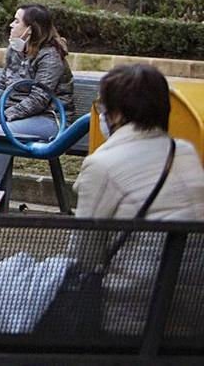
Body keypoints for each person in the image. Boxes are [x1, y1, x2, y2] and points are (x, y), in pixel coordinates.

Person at [71, 64, 204, 334]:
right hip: (192, 312)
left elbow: (83, 258)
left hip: (126, 314)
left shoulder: (102, 165)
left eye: (103, 108)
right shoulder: (186, 151)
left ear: (117, 114)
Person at [0, 4, 73, 214]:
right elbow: (2, 83)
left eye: (17, 21)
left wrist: (2, 118)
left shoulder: (50, 56)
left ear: (30, 29)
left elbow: (39, 99)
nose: (11, 25)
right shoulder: (15, 49)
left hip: (50, 119)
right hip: (13, 114)